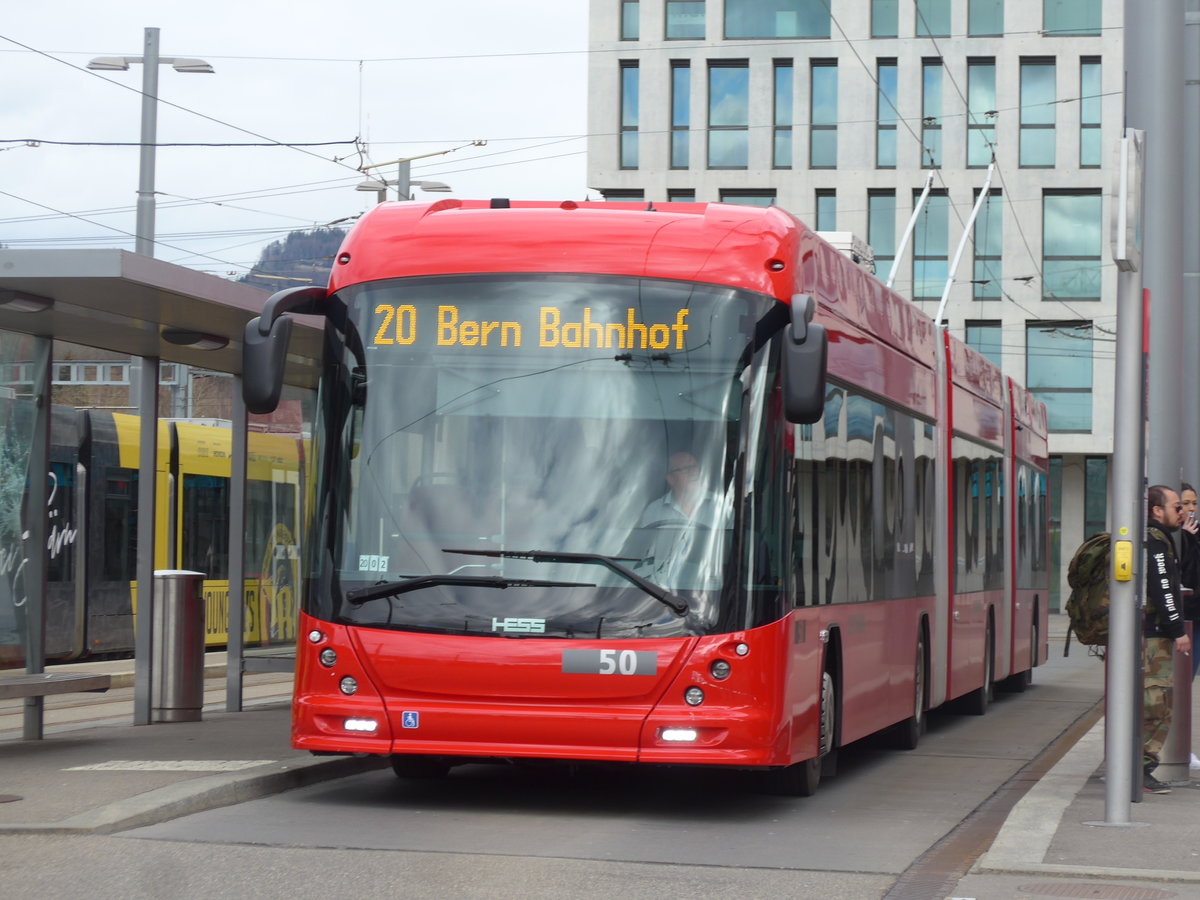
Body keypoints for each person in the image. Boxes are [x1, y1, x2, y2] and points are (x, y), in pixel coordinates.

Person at [1142, 484, 1193, 793]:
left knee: (1158, 703)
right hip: (1155, 639)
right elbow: (1164, 590)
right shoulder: (1156, 543)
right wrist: (1178, 632)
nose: (1183, 511)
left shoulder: (1159, 540)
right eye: (1177, 506)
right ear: (1157, 511)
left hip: (1152, 636)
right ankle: (1140, 769)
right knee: (1156, 705)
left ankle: (1139, 767)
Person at [635, 451, 724, 588]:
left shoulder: (721, 508)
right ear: (670, 479)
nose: (693, 472)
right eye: (684, 469)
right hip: (660, 594)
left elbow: (730, 557)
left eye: (694, 467)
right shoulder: (653, 511)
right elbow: (645, 559)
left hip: (709, 592)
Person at [1178, 482, 1200, 769]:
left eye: (1194, 502)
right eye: (1186, 503)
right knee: (1181, 683)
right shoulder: (1174, 537)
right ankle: (1176, 748)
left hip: (1196, 619)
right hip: (1187, 620)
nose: (1191, 508)